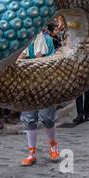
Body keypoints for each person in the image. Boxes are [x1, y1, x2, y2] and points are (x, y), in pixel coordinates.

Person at [18, 30, 63, 166]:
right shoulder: (21, 42)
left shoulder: (47, 41)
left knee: (47, 118)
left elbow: (52, 62)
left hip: (44, 84)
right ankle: (31, 153)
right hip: (28, 85)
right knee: (29, 118)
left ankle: (53, 146)